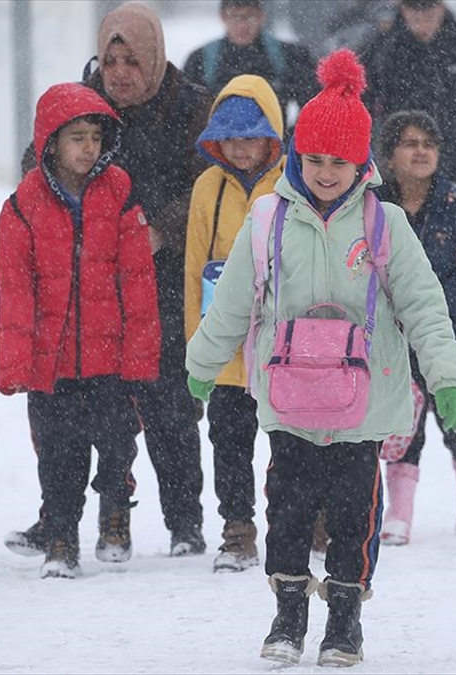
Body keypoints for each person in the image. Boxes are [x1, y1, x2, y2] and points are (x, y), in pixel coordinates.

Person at [185, 49, 456, 667]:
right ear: (296, 156)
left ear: (361, 162)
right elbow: (232, 303)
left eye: (338, 162)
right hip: (289, 400)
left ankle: (345, 619)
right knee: (286, 511)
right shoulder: (268, 220)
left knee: (354, 516)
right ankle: (288, 614)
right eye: (313, 159)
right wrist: (202, 365)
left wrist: (447, 380)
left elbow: (425, 307)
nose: (324, 172)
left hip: (361, 407)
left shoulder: (383, 224)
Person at [8, 1, 212, 560]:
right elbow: (36, 169)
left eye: (132, 61)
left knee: (169, 402)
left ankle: (185, 523)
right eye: (111, 60)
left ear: (154, 57)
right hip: (89, 282)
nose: (119, 73)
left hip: (164, 274)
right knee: (74, 410)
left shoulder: (191, 106)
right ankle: (63, 519)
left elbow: (209, 183)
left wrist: (161, 230)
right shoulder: (81, 105)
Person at [0, 83, 161, 579]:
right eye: (76, 138)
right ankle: (61, 540)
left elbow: (137, 280)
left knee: (117, 445)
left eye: (95, 137)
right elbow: (15, 291)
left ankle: (115, 511)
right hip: (53, 364)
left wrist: (140, 354)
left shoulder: (120, 192)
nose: (89, 148)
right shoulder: (23, 205)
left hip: (111, 362)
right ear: (50, 143)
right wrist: (17, 362)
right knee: (59, 456)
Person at [376, 110, 456, 545]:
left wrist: (432, 304)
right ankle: (399, 513)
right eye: (410, 144)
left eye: (429, 144)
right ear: (389, 155)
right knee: (401, 429)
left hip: (454, 335)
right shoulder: (374, 206)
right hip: (394, 337)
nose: (421, 152)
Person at [184, 74, 285, 573]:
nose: (241, 148)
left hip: (281, 348)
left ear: (272, 136)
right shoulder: (207, 188)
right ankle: (238, 528)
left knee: (292, 442)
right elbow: (193, 268)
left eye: (252, 136)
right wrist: (197, 350)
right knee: (228, 443)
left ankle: (301, 520)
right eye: (230, 137)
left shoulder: (293, 183)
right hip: (226, 347)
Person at [359, 0, 456, 194]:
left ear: (442, 7)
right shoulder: (382, 48)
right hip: (399, 167)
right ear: (403, 9)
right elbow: (363, 103)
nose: (422, 21)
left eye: (428, 13)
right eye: (414, 13)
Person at [182, 0, 317, 129]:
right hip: (217, 144)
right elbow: (185, 113)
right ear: (222, 17)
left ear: (261, 16)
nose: (243, 25)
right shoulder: (200, 60)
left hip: (275, 143)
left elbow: (313, 106)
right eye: (235, 17)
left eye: (250, 16)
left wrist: (291, 138)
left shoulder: (290, 56)